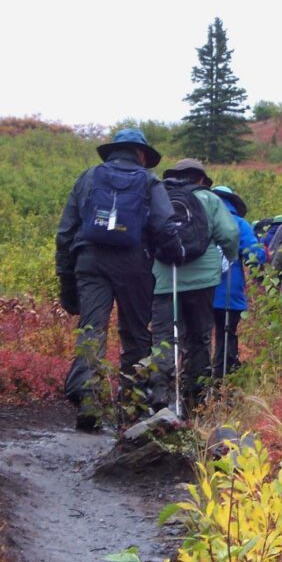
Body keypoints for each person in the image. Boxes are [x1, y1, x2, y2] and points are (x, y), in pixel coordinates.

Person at [55, 129, 185, 431]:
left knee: (92, 329)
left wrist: (66, 279)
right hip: (133, 264)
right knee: (136, 334)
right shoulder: (149, 181)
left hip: (89, 261)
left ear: (114, 150)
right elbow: (164, 225)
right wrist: (174, 252)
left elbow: (65, 232)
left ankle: (89, 403)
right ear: (141, 154)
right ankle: (133, 407)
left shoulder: (88, 177)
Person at [149, 159, 238, 414]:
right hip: (202, 280)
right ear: (200, 178)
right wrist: (230, 256)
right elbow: (229, 234)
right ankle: (193, 399)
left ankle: (159, 396)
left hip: (163, 279)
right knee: (197, 338)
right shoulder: (209, 199)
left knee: (163, 338)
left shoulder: (158, 197)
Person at [211, 185, 266, 379]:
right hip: (228, 290)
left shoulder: (200, 218)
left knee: (196, 337)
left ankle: (193, 383)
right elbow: (255, 256)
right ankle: (223, 379)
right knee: (226, 334)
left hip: (197, 289)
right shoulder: (239, 224)